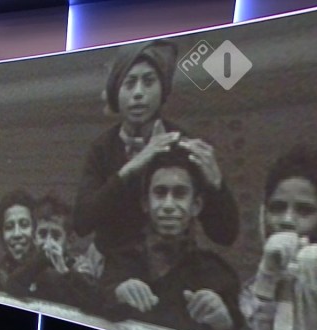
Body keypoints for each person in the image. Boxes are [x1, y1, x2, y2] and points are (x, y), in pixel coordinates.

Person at [73, 39, 240, 257]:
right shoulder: (102, 148)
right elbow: (82, 223)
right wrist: (129, 170)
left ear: (163, 90)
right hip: (114, 266)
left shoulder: (183, 145)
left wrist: (217, 186)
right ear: (116, 93)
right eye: (129, 83)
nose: (138, 93)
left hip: (173, 263)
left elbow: (225, 235)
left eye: (149, 82)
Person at [95, 149, 242, 330]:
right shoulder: (120, 262)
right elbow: (93, 308)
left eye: (180, 194)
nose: (168, 205)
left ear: (196, 205)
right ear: (145, 203)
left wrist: (224, 324)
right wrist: (117, 294)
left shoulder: (215, 273)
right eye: (160, 193)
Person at [240, 144, 317, 330]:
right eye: (277, 208)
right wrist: (266, 277)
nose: (287, 220)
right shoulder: (255, 283)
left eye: (305, 210)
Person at [4, 194, 97, 309]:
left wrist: (64, 271)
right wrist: (39, 262)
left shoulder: (79, 266)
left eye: (56, 236)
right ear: (34, 237)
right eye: (42, 234)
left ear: (69, 241)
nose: (48, 243)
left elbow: (92, 301)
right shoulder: (28, 264)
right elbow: (12, 287)